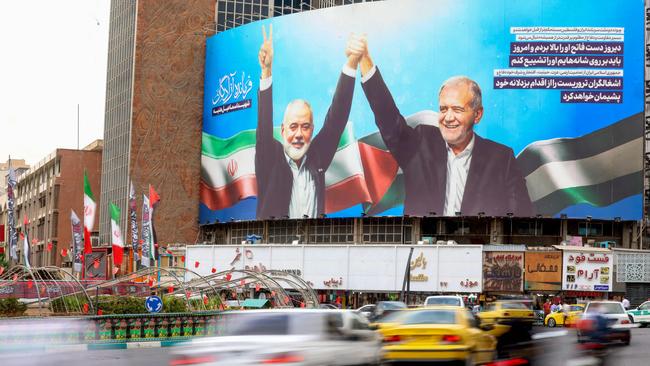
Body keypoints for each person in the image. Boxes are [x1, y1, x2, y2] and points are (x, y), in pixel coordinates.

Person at [356, 37, 535, 217]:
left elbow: (520, 217)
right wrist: (365, 60)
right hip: (423, 244)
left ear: (477, 114)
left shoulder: (502, 159)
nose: (448, 117)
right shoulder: (420, 143)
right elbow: (388, 120)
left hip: (476, 244)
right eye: (443, 109)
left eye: (457, 109)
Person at [255, 26, 364, 219]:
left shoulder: (317, 157)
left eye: (305, 127)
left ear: (312, 131)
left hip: (312, 244)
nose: (298, 134)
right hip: (275, 245)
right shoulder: (270, 159)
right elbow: (263, 127)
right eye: (293, 126)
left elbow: (336, 119)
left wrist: (352, 62)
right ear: (282, 130)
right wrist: (266, 72)